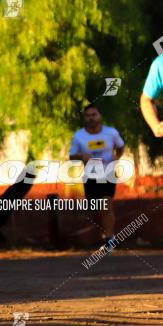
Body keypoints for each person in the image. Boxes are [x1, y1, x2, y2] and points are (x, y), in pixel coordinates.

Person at [69, 104, 124, 242]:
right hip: (90, 175)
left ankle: (109, 238)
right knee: (95, 209)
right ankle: (104, 231)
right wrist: (81, 156)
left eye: (94, 115)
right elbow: (72, 156)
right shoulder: (78, 136)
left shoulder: (111, 133)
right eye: (88, 115)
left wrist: (116, 158)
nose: (91, 118)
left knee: (107, 204)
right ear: (84, 118)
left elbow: (121, 146)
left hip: (108, 173)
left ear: (99, 116)